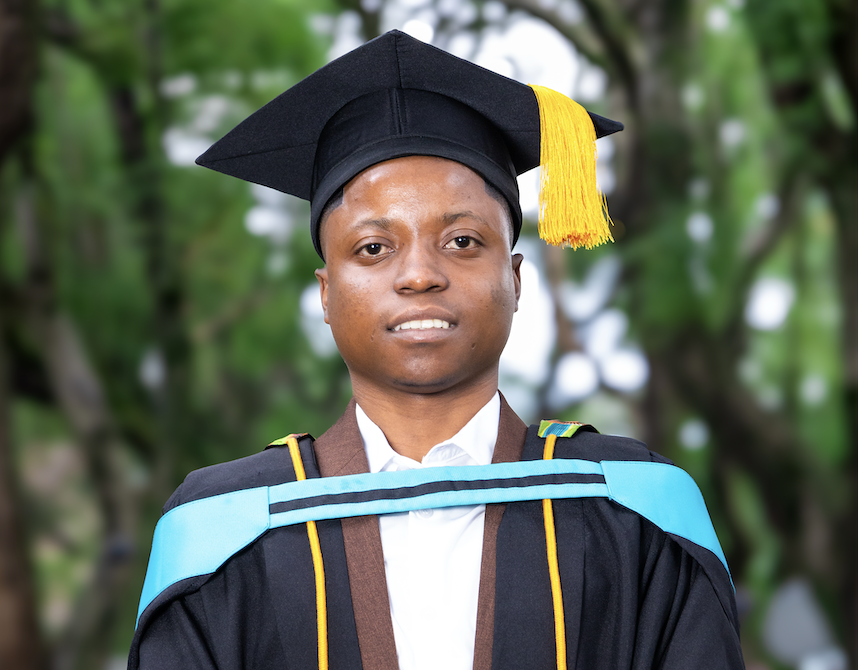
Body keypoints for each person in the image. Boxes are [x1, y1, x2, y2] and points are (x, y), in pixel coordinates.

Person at [128, 30, 744, 670]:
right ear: (327, 293)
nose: (419, 275)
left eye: (462, 242)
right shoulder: (220, 531)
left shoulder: (635, 514)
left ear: (516, 280)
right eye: (374, 248)